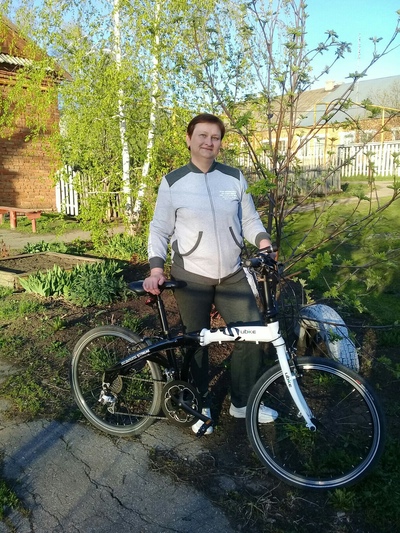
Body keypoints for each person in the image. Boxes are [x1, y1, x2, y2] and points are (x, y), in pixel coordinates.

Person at [143, 113, 278, 434]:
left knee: (252, 334)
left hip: (231, 274)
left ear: (220, 143)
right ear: (189, 139)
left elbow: (249, 220)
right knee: (197, 341)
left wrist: (264, 242)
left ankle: (242, 403)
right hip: (191, 276)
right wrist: (156, 268)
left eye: (215, 137)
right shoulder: (173, 182)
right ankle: (199, 403)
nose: (208, 142)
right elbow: (159, 228)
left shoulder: (233, 178)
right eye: (202, 136)